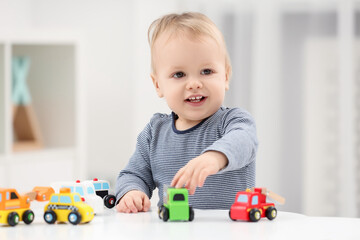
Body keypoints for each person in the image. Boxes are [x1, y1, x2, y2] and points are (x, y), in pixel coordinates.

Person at [115, 12, 258, 213]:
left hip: (229, 229)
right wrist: (131, 192)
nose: (194, 84)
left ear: (225, 77)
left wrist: (214, 157)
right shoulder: (154, 133)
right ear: (158, 85)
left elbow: (244, 141)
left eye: (206, 71)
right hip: (172, 227)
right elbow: (133, 174)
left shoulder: (233, 121)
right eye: (179, 74)